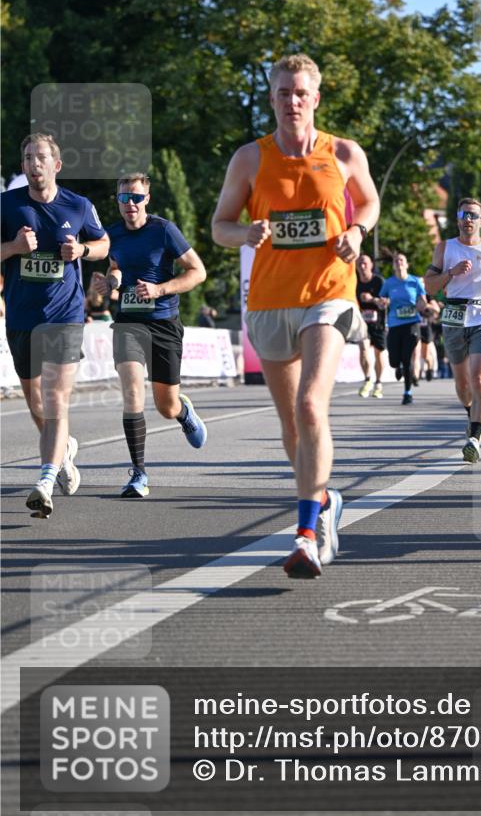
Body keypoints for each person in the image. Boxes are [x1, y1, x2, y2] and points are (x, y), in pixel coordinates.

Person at [211, 53, 379, 579]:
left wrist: (356, 232)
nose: (292, 101)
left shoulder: (344, 152)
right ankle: (325, 500)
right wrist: (246, 234)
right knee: (291, 427)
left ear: (316, 98)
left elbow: (369, 203)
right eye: (283, 93)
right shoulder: (249, 159)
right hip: (268, 302)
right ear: (272, 99)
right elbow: (220, 225)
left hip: (328, 293)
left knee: (311, 406)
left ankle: (305, 533)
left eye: (301, 92)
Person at [0, 133, 109, 518]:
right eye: (27, 158)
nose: (33, 164)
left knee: (56, 397)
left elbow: (104, 243)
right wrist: (12, 248)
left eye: (40, 157)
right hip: (21, 316)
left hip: (65, 316)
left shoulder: (78, 206)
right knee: (36, 401)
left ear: (56, 165)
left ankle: (45, 479)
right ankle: (63, 452)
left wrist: (81, 250)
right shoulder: (7, 205)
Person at [90, 173, 208, 498]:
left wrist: (160, 288)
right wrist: (110, 283)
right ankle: (139, 473)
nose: (130, 204)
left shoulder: (164, 230)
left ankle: (183, 412)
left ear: (147, 199)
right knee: (131, 393)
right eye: (124, 198)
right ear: (117, 200)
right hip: (128, 322)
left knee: (165, 406)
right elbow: (116, 267)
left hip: (164, 323)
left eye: (137, 198)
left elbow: (198, 271)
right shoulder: (112, 234)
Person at [424, 198, 481, 463]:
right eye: (464, 214)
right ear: (457, 219)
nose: (469, 219)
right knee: (463, 384)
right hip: (453, 316)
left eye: (474, 215)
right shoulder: (445, 248)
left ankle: (475, 437)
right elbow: (429, 286)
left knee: (478, 379)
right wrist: (449, 274)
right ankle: (471, 413)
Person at [380, 253, 428, 405]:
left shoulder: (415, 282)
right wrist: (382, 303)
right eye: (396, 260)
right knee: (394, 360)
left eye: (401, 260)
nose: (399, 262)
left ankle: (407, 393)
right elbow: (382, 300)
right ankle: (397, 366)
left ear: (407, 264)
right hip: (394, 324)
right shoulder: (389, 283)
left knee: (407, 359)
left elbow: (423, 301)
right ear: (393, 265)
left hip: (412, 324)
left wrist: (422, 305)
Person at [355, 253, 387, 398]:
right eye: (359, 263)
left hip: (378, 322)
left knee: (378, 353)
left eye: (365, 263)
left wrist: (372, 299)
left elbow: (386, 302)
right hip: (362, 322)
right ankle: (367, 379)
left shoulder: (379, 282)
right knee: (363, 348)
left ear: (371, 265)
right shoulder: (354, 282)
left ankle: (378, 382)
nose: (362, 266)